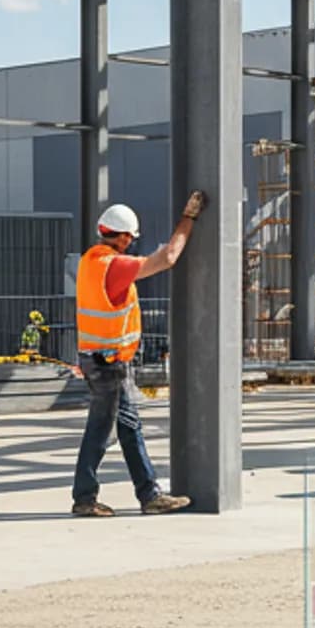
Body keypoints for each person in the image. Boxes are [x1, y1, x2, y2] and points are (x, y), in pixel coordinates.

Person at [71, 193, 205, 518]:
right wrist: (189, 219)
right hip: (109, 364)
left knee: (128, 427)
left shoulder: (90, 261)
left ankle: (148, 494)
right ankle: (87, 497)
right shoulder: (115, 266)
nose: (131, 243)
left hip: (95, 359)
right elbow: (168, 257)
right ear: (124, 236)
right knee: (101, 431)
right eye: (130, 238)